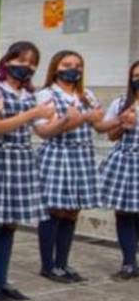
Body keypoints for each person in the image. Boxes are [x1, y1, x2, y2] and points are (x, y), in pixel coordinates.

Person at [0, 42, 56, 301]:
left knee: (10, 224)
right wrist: (33, 113)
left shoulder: (29, 94)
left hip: (21, 159)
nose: (27, 67)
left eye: (32, 63)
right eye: (21, 60)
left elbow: (41, 130)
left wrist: (64, 121)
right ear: (7, 60)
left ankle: (2, 279)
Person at [34, 50, 111, 283]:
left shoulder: (86, 94)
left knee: (72, 211)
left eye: (78, 65)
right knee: (54, 210)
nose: (73, 69)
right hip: (58, 154)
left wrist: (120, 120)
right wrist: (80, 119)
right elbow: (46, 130)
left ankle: (62, 263)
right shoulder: (46, 95)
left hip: (81, 156)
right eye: (67, 64)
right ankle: (48, 265)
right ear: (56, 67)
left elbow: (99, 126)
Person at [100, 60, 139, 280]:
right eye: (135, 76)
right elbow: (110, 135)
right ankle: (129, 262)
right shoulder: (121, 103)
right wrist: (122, 125)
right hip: (125, 162)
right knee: (124, 213)